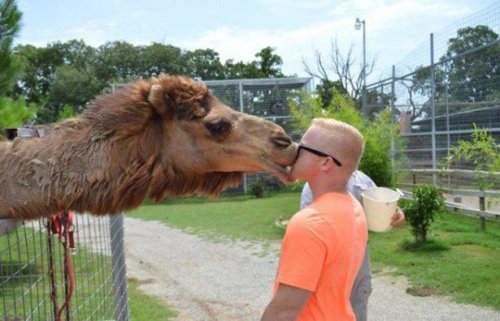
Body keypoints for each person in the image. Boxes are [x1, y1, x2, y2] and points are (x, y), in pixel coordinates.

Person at [261, 118, 368, 321]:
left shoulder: (310, 223)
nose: (294, 152)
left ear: (326, 162)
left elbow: (285, 309)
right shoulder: (354, 208)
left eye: (302, 148)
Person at [301, 171, 405, 321]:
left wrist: (397, 211)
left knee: (360, 294)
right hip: (330, 255)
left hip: (359, 250)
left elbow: (382, 200)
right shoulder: (314, 185)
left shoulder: (362, 179)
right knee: (330, 300)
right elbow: (308, 225)